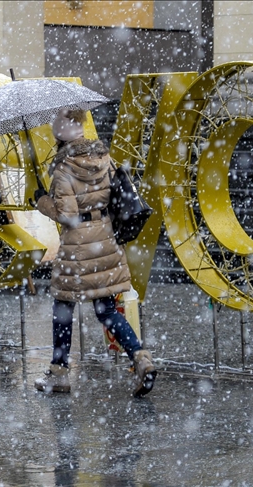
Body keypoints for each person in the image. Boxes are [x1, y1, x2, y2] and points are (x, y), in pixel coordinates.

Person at [33, 109, 156, 397]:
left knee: (63, 306)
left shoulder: (64, 169)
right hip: (105, 240)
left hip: (77, 248)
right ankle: (140, 358)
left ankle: (59, 373)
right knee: (107, 310)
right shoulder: (104, 159)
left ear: (59, 135)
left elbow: (67, 215)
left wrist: (42, 202)